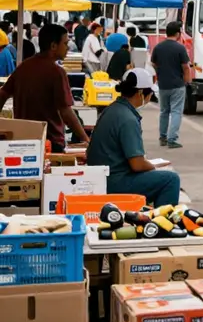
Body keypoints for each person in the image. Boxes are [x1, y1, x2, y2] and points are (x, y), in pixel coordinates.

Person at [87, 69, 180, 208]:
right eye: (150, 93)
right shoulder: (128, 119)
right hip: (115, 182)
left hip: (103, 176)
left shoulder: (112, 109)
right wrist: (154, 167)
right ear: (141, 93)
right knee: (171, 179)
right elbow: (137, 164)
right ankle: (161, 224)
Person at [0, 24, 90, 152]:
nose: (68, 47)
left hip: (21, 141)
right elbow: (66, 111)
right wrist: (86, 138)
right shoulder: (57, 72)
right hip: (50, 141)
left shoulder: (24, 67)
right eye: (65, 43)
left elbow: (3, 93)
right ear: (53, 46)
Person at [150, 21, 191, 149]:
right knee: (176, 112)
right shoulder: (180, 48)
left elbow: (153, 63)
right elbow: (185, 67)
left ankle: (162, 137)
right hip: (177, 84)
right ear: (178, 33)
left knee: (164, 111)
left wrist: (160, 73)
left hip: (163, 84)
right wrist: (187, 81)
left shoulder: (158, 47)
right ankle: (172, 139)